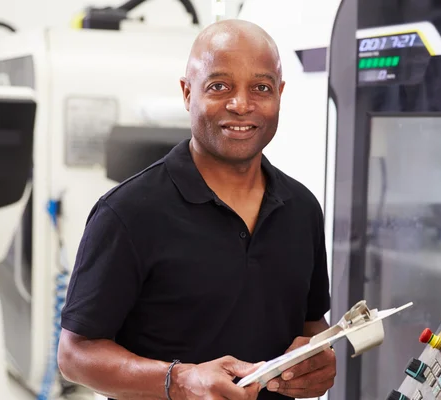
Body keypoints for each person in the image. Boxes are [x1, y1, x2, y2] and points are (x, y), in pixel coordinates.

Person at [58, 19, 336, 400]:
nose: (241, 104)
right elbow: (75, 354)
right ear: (188, 93)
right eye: (219, 86)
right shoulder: (128, 213)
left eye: (261, 88)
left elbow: (311, 322)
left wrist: (320, 357)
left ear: (280, 94)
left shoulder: (302, 209)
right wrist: (181, 380)